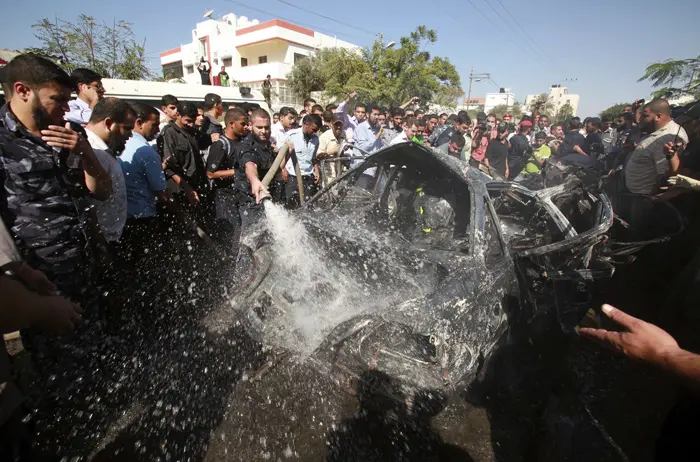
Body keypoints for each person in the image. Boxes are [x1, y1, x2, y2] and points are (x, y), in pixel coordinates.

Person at [0, 54, 112, 296]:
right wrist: (21, 271)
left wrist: (86, 153)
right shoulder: (3, 142)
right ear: (23, 91)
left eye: (67, 100)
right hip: (39, 283)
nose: (65, 108)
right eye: (57, 99)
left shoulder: (70, 133)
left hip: (86, 266)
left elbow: (101, 192)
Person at [118, 102, 167, 264]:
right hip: (143, 220)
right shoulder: (146, 151)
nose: (157, 130)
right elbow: (161, 191)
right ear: (139, 123)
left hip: (123, 221)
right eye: (154, 125)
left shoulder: (119, 145)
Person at [84, 98, 134, 248]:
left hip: (111, 239)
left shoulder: (103, 151)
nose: (130, 135)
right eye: (127, 128)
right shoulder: (90, 151)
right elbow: (87, 205)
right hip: (100, 243)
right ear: (109, 124)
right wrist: (99, 246)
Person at [625, 99, 688, 196]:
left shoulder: (667, 138)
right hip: (635, 192)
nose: (640, 119)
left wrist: (651, 199)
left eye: (645, 116)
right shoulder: (658, 131)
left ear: (658, 116)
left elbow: (665, 176)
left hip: (643, 196)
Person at [206, 107, 249, 245]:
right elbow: (211, 173)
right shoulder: (221, 145)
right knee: (231, 233)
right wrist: (238, 172)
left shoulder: (243, 142)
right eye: (243, 124)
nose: (246, 127)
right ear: (231, 124)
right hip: (224, 197)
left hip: (240, 194)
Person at [161, 101, 209, 210]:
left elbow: (207, 141)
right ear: (178, 115)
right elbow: (169, 168)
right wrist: (187, 188)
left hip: (197, 185)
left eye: (192, 121)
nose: (190, 124)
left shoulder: (192, 131)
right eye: (187, 121)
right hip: (179, 188)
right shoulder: (169, 133)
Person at [235, 109, 276, 229]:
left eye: (267, 127)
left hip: (267, 199)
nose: (264, 131)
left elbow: (275, 169)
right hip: (251, 203)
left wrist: (286, 154)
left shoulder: (268, 145)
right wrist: (254, 180)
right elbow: (250, 164)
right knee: (252, 240)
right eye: (259, 127)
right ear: (251, 126)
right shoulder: (246, 146)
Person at [281, 114, 322, 208]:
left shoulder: (316, 139)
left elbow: (313, 158)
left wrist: (316, 171)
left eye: (317, 130)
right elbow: (282, 156)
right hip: (293, 177)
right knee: (292, 205)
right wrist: (283, 169)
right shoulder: (291, 135)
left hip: (308, 176)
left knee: (308, 205)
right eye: (314, 129)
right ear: (306, 124)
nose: (315, 132)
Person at [317, 116, 346, 184]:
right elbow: (318, 156)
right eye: (336, 124)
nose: (338, 127)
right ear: (331, 124)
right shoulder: (324, 137)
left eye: (340, 125)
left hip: (340, 172)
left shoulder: (344, 134)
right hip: (328, 173)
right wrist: (331, 151)